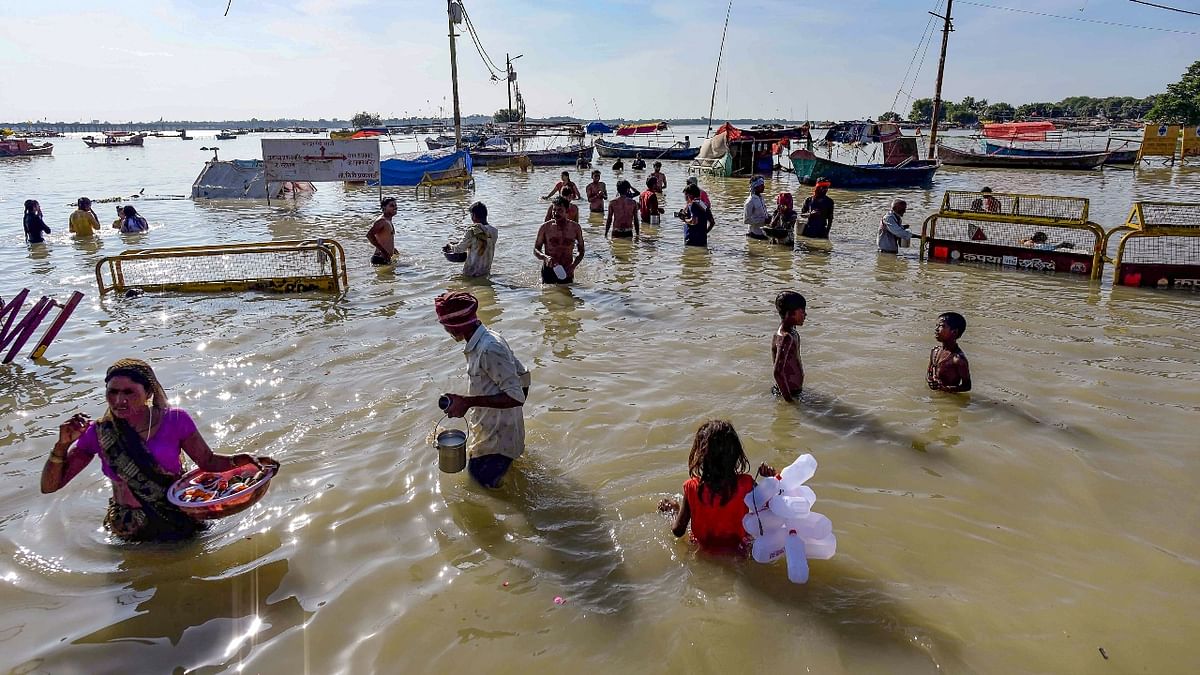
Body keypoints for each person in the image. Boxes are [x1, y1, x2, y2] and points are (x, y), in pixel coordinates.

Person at [40, 358, 258, 541]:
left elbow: (208, 462)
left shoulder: (175, 420)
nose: (119, 400)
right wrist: (62, 445)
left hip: (177, 518)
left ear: (148, 393)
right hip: (128, 527)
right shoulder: (99, 433)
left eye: (129, 392)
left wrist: (243, 461)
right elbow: (49, 487)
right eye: (112, 392)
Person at [436, 292, 531, 489]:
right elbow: (523, 375)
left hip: (496, 440)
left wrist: (467, 402)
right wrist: (512, 416)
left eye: (444, 324)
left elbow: (516, 396)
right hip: (496, 431)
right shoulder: (485, 339)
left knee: (481, 487)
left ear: (456, 325)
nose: (444, 328)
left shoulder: (489, 348)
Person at [658, 420, 777, 553]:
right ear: (736, 454)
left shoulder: (691, 487)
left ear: (700, 456)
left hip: (702, 550)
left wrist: (673, 511)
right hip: (739, 550)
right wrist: (771, 480)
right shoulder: (747, 484)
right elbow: (771, 507)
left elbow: (678, 531)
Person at [535, 196, 585, 284]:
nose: (555, 213)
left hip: (567, 269)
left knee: (567, 295)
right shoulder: (545, 228)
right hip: (549, 270)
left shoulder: (575, 228)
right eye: (554, 210)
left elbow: (581, 251)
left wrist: (573, 266)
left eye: (560, 210)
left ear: (567, 211)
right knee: (548, 295)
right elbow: (536, 249)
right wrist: (545, 257)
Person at [443, 201, 498, 277]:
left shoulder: (472, 231)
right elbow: (481, 246)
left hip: (471, 273)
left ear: (474, 216)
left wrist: (450, 246)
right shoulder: (494, 231)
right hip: (485, 272)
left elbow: (459, 249)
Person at [772, 291, 806, 401]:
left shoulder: (792, 330)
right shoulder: (785, 337)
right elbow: (778, 372)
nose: (805, 314)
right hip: (788, 393)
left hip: (792, 390)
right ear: (789, 314)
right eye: (802, 311)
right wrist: (789, 401)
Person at [927, 312, 971, 393]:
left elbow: (967, 386)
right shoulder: (935, 351)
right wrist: (930, 380)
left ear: (954, 332)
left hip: (950, 398)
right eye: (937, 325)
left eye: (942, 326)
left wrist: (946, 389)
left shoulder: (958, 359)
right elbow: (929, 372)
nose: (936, 329)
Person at [367, 197, 399, 265]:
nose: (395, 207)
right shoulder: (382, 221)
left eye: (395, 205)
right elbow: (369, 235)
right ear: (384, 208)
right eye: (392, 206)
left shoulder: (388, 220)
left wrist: (393, 250)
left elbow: (385, 239)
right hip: (380, 258)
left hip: (385, 258)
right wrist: (384, 252)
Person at [743, 176, 769, 240]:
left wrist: (769, 217)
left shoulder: (761, 198)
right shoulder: (750, 201)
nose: (764, 187)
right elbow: (746, 220)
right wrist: (764, 220)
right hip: (754, 235)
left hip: (763, 233)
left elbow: (762, 213)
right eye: (761, 185)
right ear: (755, 186)